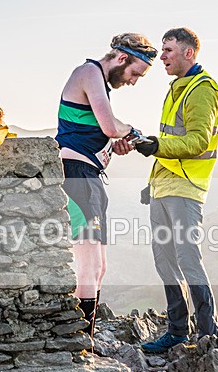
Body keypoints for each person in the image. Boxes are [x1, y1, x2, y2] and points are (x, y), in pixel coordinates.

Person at [56, 33, 157, 341]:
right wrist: (135, 133)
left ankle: (84, 335)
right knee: (87, 264)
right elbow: (111, 126)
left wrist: (116, 147)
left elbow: (102, 133)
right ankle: (79, 342)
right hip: (75, 176)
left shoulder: (97, 81)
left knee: (99, 267)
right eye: (135, 73)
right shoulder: (88, 72)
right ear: (122, 59)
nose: (133, 81)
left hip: (90, 175)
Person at [127, 27, 218, 354]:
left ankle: (209, 334)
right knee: (164, 261)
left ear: (188, 53)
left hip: (186, 187)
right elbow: (169, 140)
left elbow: (198, 141)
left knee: (188, 259)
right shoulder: (175, 88)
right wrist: (149, 145)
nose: (162, 56)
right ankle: (178, 332)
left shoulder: (202, 89)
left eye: (168, 50)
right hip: (162, 186)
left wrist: (156, 145)